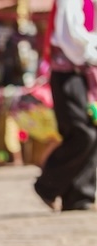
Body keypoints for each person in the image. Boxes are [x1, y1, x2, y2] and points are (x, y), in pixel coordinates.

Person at [34, 0, 97, 211]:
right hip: (66, 74)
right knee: (81, 133)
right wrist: (92, 54)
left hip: (81, 74)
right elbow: (70, 37)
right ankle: (47, 185)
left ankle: (79, 195)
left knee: (91, 131)